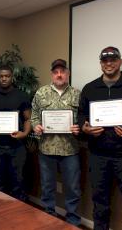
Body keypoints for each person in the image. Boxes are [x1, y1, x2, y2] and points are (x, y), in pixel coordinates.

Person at [78, 46, 122, 230]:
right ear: (100, 64)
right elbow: (81, 115)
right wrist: (85, 128)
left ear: (120, 61)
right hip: (98, 155)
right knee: (100, 204)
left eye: (113, 60)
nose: (109, 63)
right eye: (105, 61)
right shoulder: (90, 88)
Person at [30, 59, 81, 226]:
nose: (59, 74)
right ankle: (48, 219)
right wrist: (35, 126)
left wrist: (79, 127)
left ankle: (72, 221)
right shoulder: (41, 93)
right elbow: (34, 116)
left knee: (72, 188)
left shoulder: (77, 94)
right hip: (47, 149)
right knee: (48, 187)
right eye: (56, 72)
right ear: (51, 74)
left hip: (70, 149)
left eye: (62, 71)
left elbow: (84, 118)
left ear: (68, 73)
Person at [0, 65, 31, 201]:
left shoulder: (22, 96)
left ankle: (18, 214)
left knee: (18, 182)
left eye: (7, 76)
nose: (4, 79)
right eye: (1, 76)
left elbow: (27, 118)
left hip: (17, 147)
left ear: (11, 77)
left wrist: (25, 133)